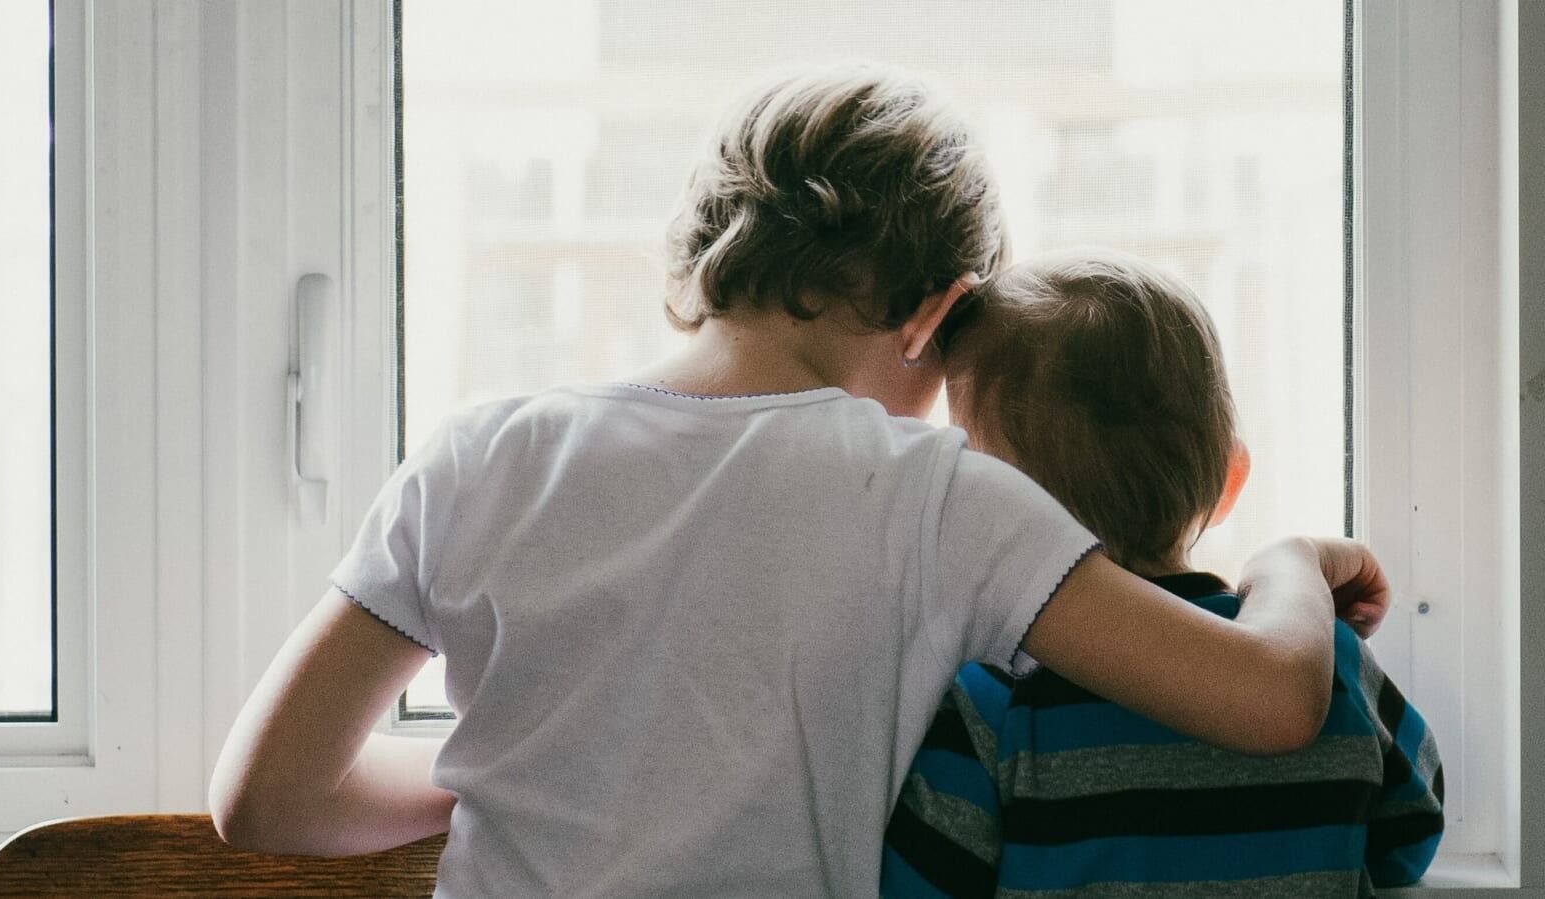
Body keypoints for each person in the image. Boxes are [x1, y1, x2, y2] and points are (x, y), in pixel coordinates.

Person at [207, 64, 1387, 898]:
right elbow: (1271, 702)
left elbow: (266, 797)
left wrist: (523, 763)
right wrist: (1291, 560)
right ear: (936, 311)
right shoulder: (935, 497)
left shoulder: (482, 451)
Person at [880, 250, 1443, 898]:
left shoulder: (991, 701)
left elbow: (918, 884)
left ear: (996, 507)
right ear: (1230, 480)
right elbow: (1411, 837)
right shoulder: (1325, 661)